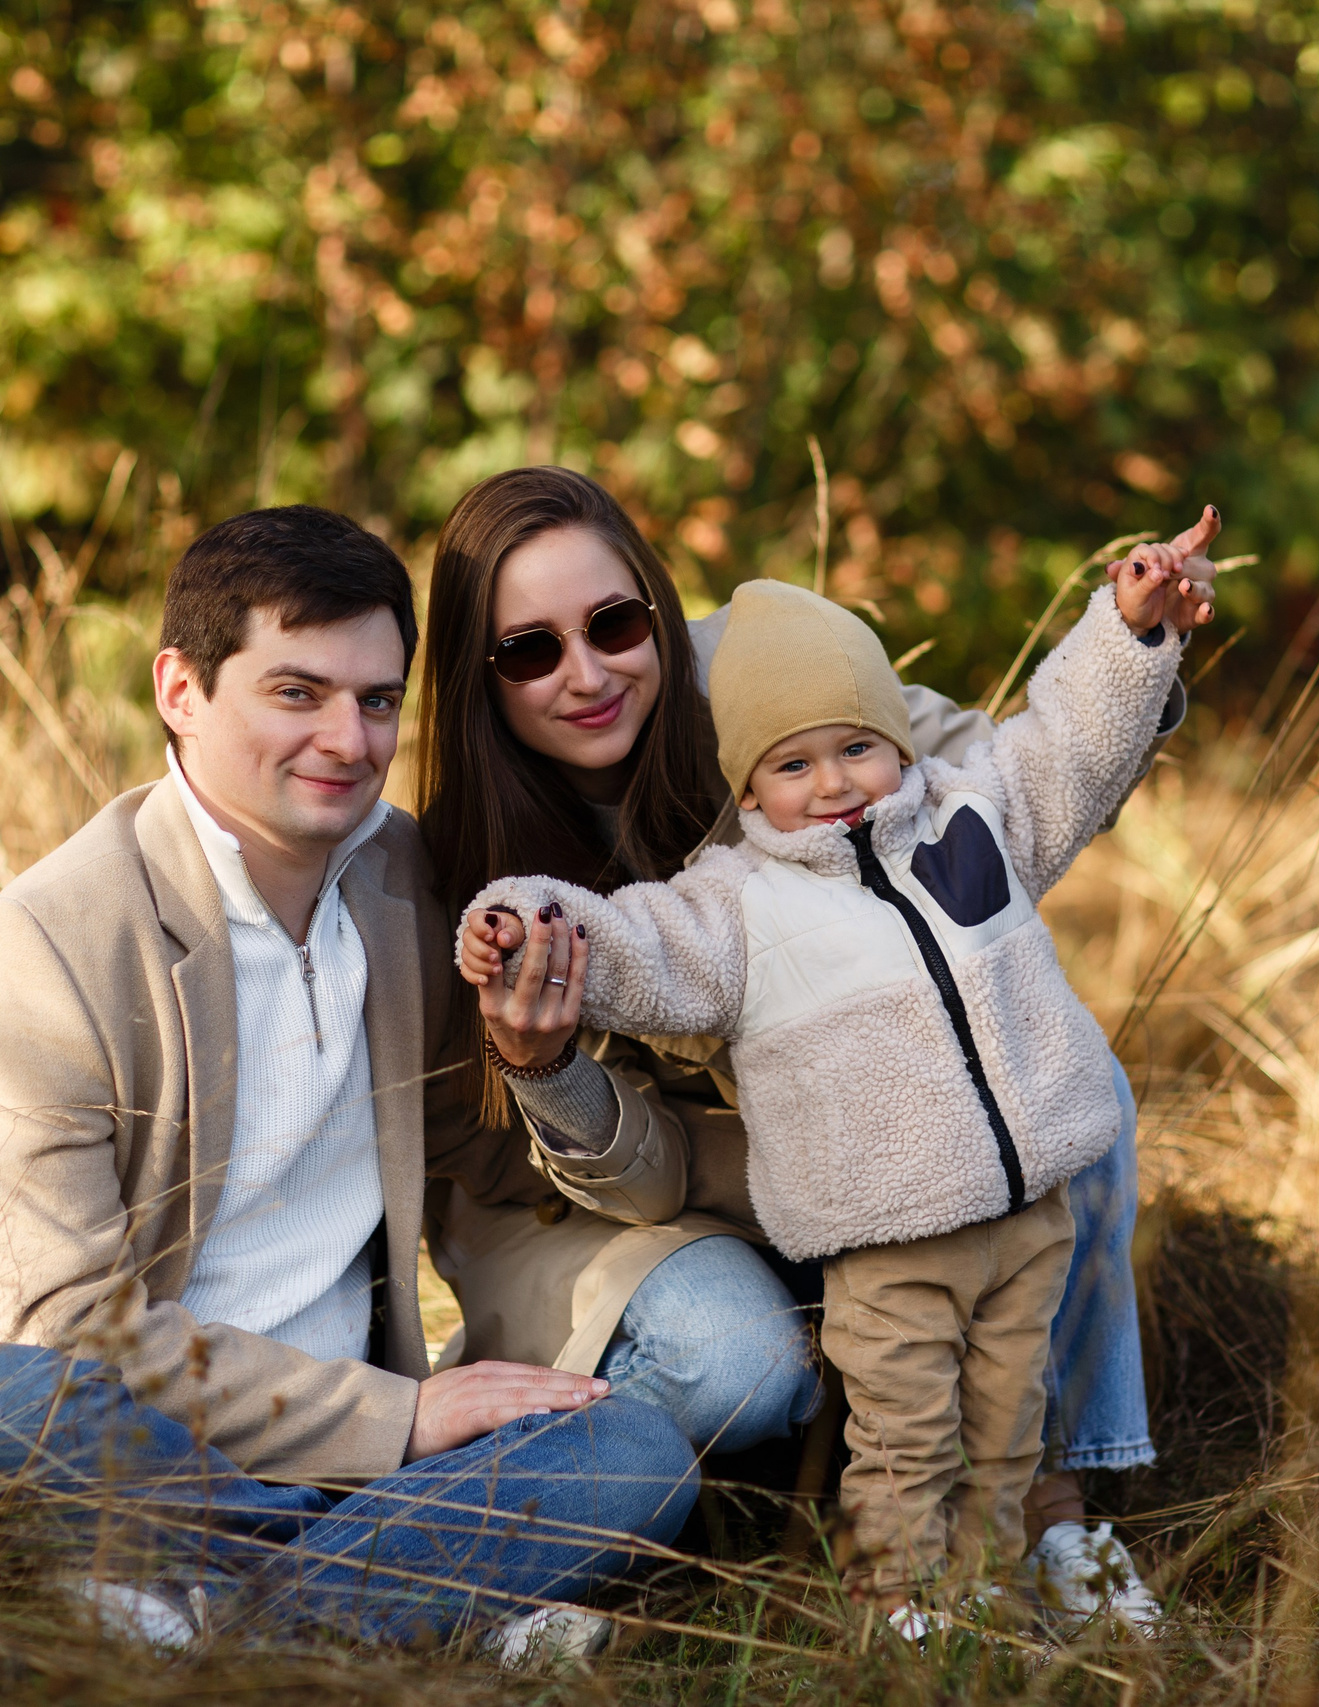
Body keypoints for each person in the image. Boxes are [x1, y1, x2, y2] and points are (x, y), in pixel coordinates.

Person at [0, 506, 697, 1663]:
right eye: (296, 693)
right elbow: (71, 1324)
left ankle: (203, 1613)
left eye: (376, 701)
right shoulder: (56, 936)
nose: (347, 740)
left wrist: (548, 1066)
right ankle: (376, 1617)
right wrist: (402, 1420)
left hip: (344, 1465)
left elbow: (488, 1164)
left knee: (637, 1456)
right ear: (180, 689)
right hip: (149, 1433)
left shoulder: (406, 884)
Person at [410, 467, 1216, 1630]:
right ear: (481, 679)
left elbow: (1006, 776)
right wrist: (544, 1064)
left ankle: (1055, 1512)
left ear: (652, 600)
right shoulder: (478, 863)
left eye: (615, 624)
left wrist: (1132, 644)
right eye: (528, 651)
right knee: (743, 1360)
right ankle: (599, 1524)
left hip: (860, 1126)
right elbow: (648, 1173)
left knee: (1064, 1108)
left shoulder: (770, 670)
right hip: (617, 1195)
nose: (585, 673)